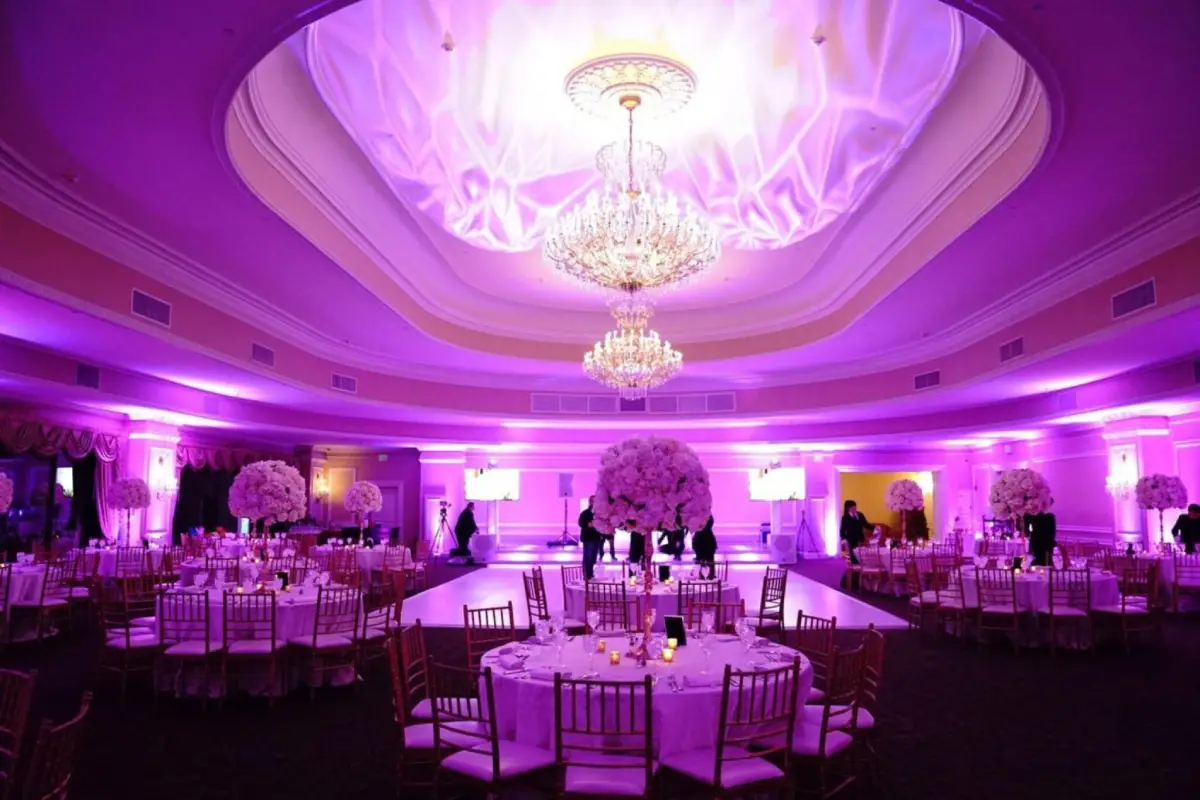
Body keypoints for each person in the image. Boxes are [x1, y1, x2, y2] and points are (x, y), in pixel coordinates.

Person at [839, 500, 870, 589]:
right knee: (854, 561)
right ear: (848, 508)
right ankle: (853, 581)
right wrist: (844, 539)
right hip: (851, 542)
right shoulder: (845, 518)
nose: (854, 509)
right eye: (852, 507)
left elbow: (866, 524)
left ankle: (861, 581)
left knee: (862, 559)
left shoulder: (860, 515)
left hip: (860, 540)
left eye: (855, 507)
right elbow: (842, 531)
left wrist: (875, 528)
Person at [579, 496, 602, 579]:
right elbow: (581, 523)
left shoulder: (599, 513)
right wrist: (588, 524)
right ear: (590, 502)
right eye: (593, 501)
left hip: (596, 538)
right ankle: (586, 575)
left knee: (593, 557)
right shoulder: (585, 513)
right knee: (587, 557)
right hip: (588, 538)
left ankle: (590, 573)